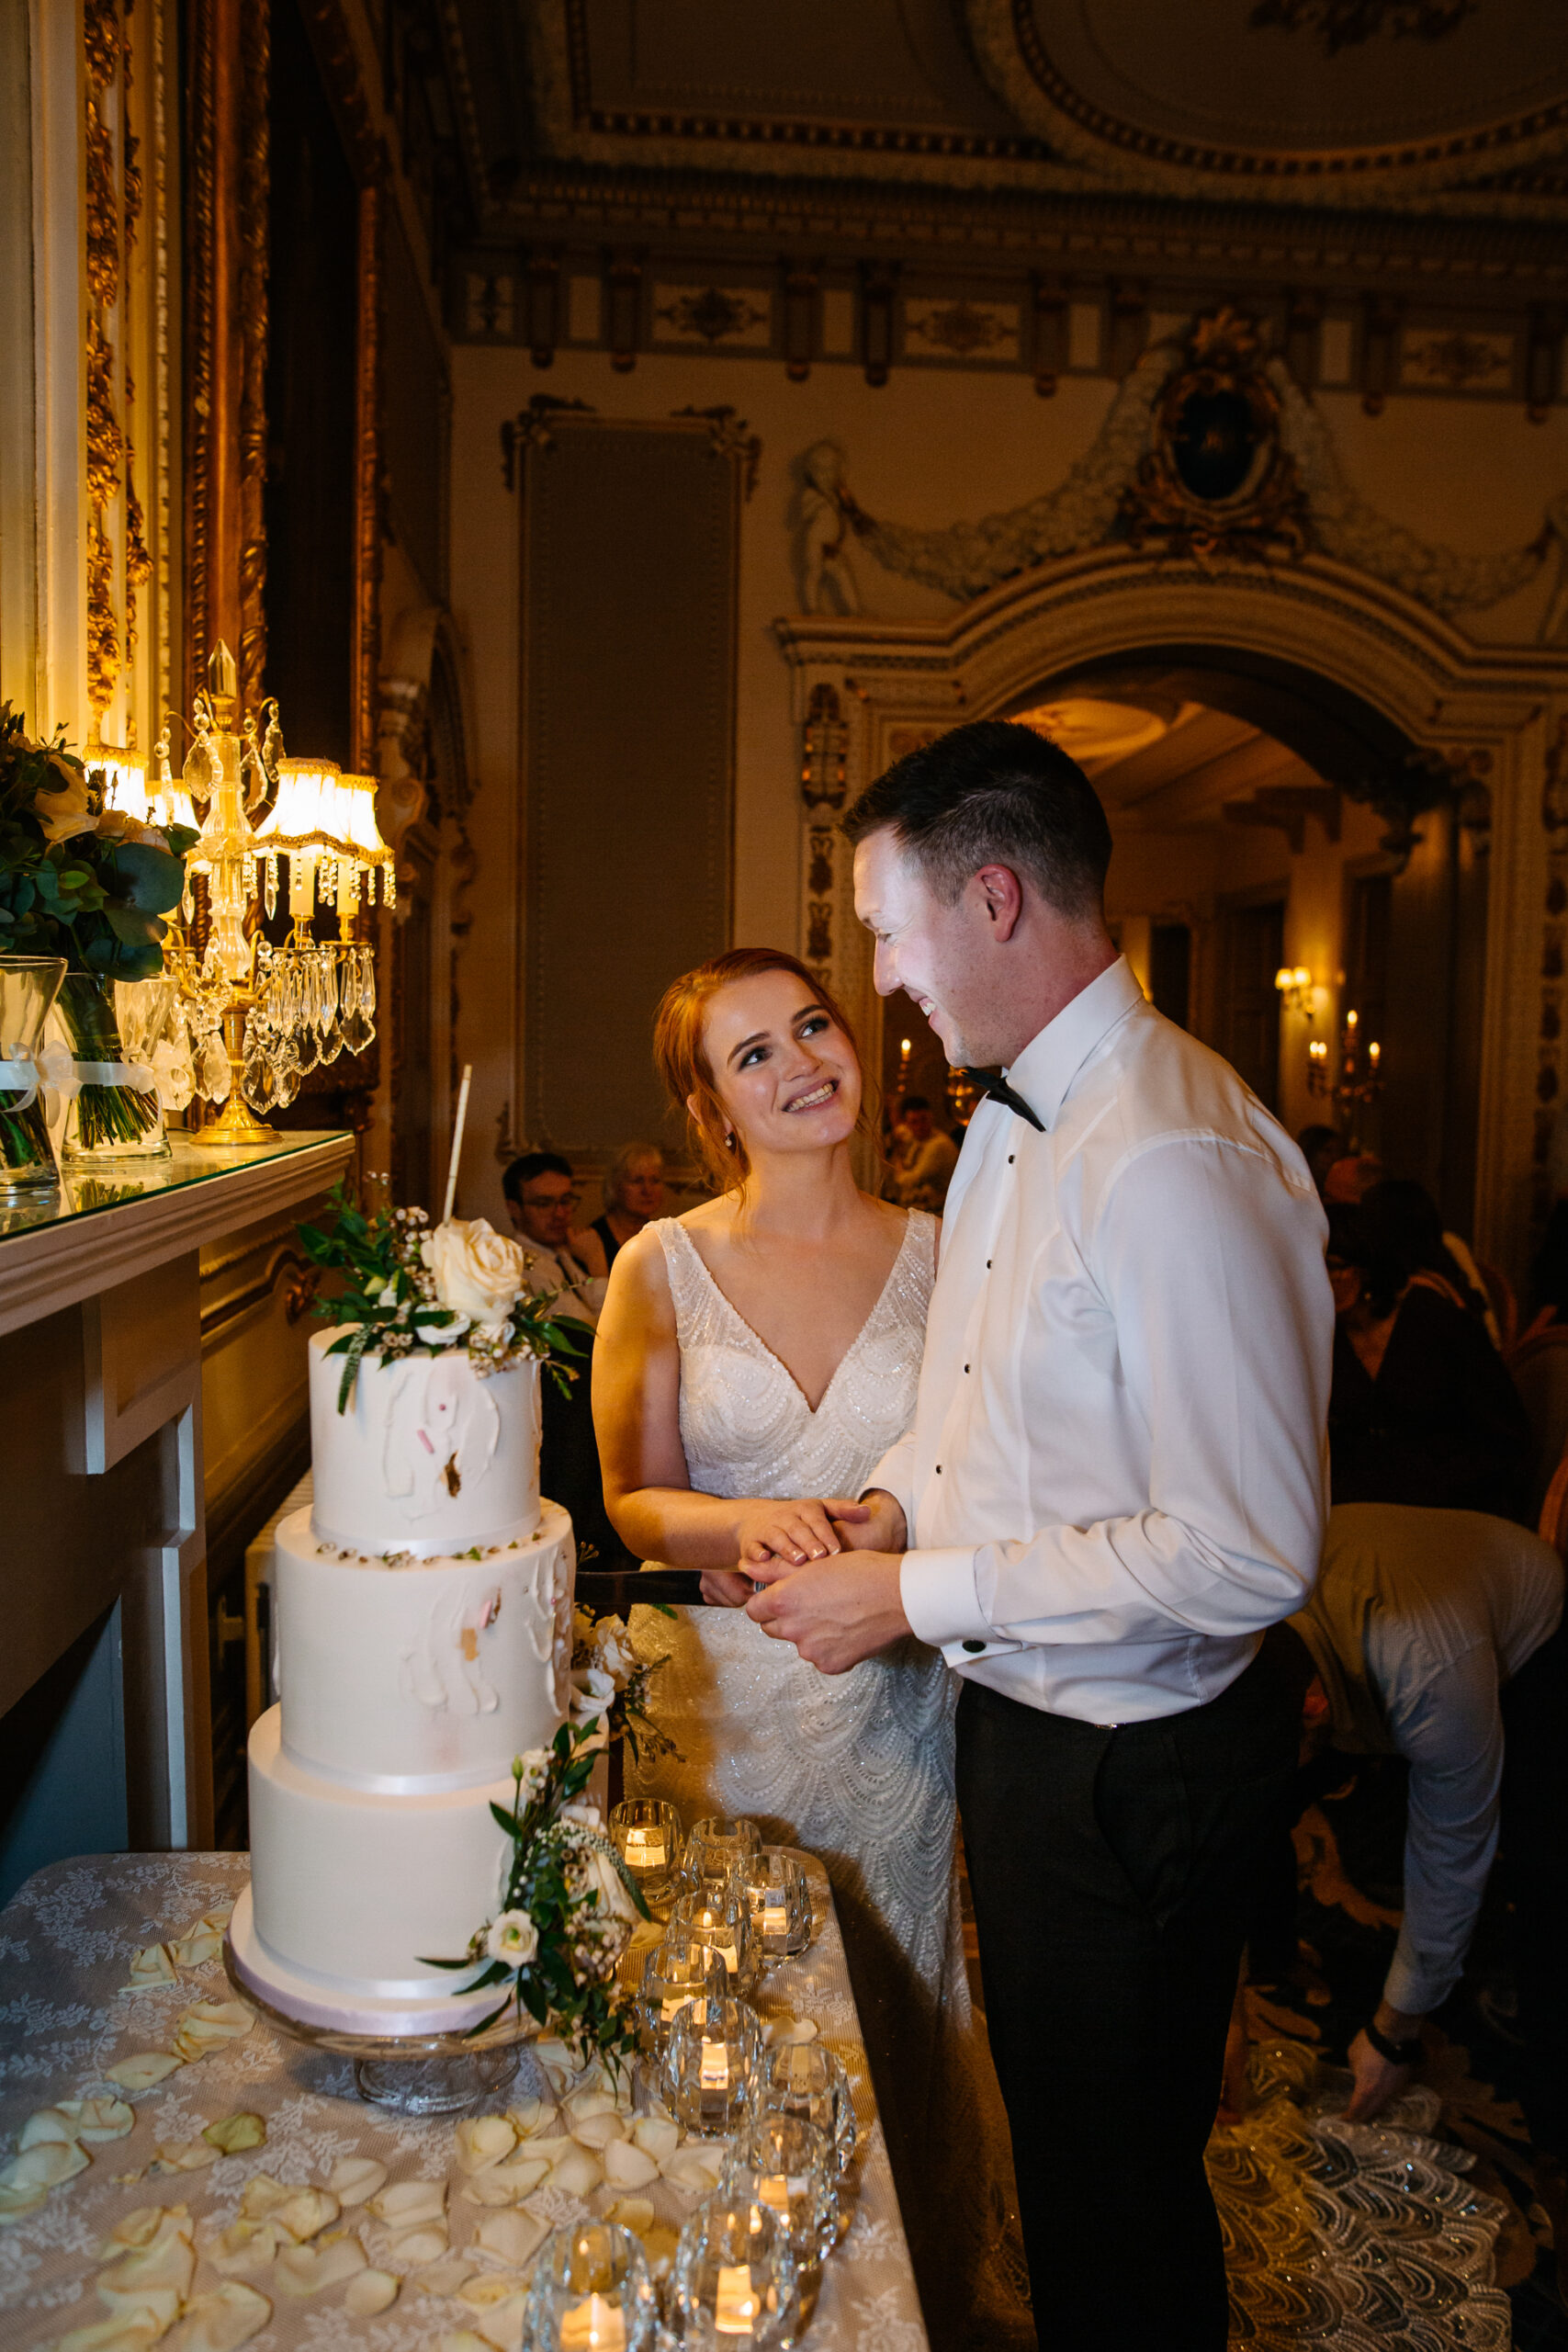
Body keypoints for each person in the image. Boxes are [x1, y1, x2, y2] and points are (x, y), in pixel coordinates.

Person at [744, 718, 1334, 2351]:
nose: (880, 974)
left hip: (1134, 1764)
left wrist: (912, 1592)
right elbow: (988, 1414)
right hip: (1027, 1726)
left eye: (886, 929)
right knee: (1067, 2174)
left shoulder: (1171, 1156)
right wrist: (884, 1507)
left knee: (1115, 2198)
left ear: (990, 899)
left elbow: (1248, 1553)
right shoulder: (1011, 1120)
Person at [592, 947, 1029, 2351]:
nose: (800, 1067)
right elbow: (632, 1499)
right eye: (752, 1056)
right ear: (711, 1108)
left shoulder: (944, 1251)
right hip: (721, 1717)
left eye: (812, 1027)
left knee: (896, 2002)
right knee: (731, 2025)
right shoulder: (659, 1265)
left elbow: (983, 1461)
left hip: (894, 1708)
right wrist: (739, 1527)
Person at [1251, 1504, 1562, 2128]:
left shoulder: (1428, 1671)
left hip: (1528, 1631)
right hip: (1366, 1617)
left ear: (1312, 1711)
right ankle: (1267, 1951)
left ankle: (1552, 2092)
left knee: (1543, 1862)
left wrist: (1394, 2033)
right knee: (1256, 1811)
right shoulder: (1234, 1619)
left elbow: (1451, 1846)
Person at [1326, 1198, 1531, 1521]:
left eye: (1332, 1266)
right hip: (1363, 1504)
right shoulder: (1325, 1335)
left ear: (1365, 1269)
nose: (1317, 1279)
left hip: (1452, 1500)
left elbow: (1503, 1439)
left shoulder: (1437, 1323)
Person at [502, 1151, 626, 1566]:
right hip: (562, 1417)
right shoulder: (520, 1268)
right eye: (543, 1203)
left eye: (566, 1201)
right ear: (514, 1208)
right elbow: (608, 1331)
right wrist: (597, 1262)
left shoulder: (564, 1255)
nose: (559, 1213)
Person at [574, 1141, 666, 1278]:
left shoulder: (663, 1236)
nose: (647, 1190)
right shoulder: (592, 1240)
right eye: (637, 1181)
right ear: (615, 1186)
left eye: (655, 1181)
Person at [886, 1092, 958, 1210]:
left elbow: (908, 1181)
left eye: (924, 1119)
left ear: (931, 1117)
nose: (920, 1126)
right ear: (907, 1124)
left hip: (939, 1212)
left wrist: (898, 1166)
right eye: (914, 1122)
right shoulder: (918, 1141)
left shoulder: (939, 1145)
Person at [1297, 1122, 1348, 1198]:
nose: (1335, 1156)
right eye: (1327, 1151)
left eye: (1339, 1151)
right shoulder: (1299, 1188)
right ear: (1310, 1152)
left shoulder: (1340, 1187)